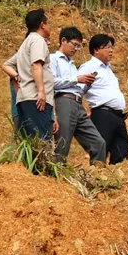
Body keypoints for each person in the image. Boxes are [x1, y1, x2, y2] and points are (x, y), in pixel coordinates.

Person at [47, 27, 104, 164]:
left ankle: (99, 176)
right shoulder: (53, 59)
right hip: (63, 101)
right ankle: (56, 178)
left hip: (78, 104)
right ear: (63, 40)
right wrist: (77, 79)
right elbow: (51, 82)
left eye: (79, 46)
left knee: (98, 142)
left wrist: (87, 84)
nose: (76, 49)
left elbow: (76, 88)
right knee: (62, 143)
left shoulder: (72, 65)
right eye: (75, 44)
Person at [6, 9, 58, 140]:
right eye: (48, 23)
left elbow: (6, 64)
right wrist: (41, 91)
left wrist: (17, 77)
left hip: (25, 98)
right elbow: (36, 65)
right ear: (42, 24)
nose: (49, 26)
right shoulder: (37, 41)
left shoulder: (25, 44)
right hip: (36, 99)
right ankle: (41, 161)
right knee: (41, 140)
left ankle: (28, 162)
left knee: (30, 141)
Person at [78, 34, 128, 164]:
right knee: (101, 150)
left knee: (121, 151)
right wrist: (83, 110)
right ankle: (98, 179)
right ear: (96, 50)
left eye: (112, 47)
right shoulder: (89, 67)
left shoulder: (108, 70)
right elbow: (77, 91)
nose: (111, 50)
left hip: (118, 116)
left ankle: (118, 180)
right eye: (107, 47)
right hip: (103, 114)